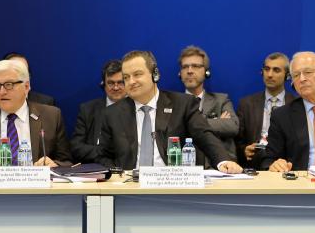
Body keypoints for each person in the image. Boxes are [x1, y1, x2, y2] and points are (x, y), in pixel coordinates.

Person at [97, 50, 242, 173]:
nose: (131, 81)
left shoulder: (182, 104)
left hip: (172, 183)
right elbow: (103, 156)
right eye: (126, 77)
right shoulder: (112, 114)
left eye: (137, 74)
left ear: (155, 74)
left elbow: (204, 136)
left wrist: (223, 161)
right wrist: (117, 174)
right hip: (129, 185)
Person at [0, 59, 71, 171]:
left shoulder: (51, 116)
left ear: (26, 87)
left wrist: (54, 165)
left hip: (36, 184)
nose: (2, 92)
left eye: (9, 84)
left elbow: (67, 162)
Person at [178, 46, 239, 165]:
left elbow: (232, 126)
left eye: (195, 66)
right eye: (185, 67)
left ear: (206, 72)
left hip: (219, 166)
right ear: (180, 73)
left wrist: (188, 124)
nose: (189, 71)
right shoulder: (173, 103)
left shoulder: (221, 100)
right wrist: (217, 122)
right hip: (185, 167)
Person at [235, 52, 296, 168]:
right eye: (267, 69)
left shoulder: (296, 104)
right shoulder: (247, 104)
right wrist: (244, 150)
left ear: (287, 76)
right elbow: (237, 140)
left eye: (276, 70)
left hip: (287, 165)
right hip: (255, 164)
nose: (269, 74)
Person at [71, 59, 125, 163]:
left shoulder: (137, 108)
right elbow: (76, 147)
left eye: (120, 82)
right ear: (103, 84)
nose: (116, 87)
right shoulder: (87, 109)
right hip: (96, 167)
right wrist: (103, 152)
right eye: (111, 83)